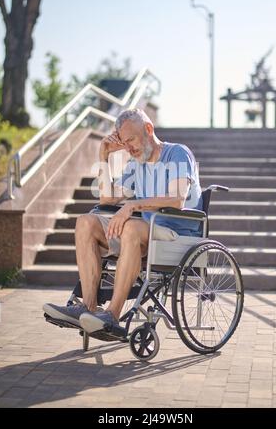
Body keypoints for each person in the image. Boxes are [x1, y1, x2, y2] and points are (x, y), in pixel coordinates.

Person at [43, 108, 203, 334]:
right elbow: (107, 197)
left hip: (177, 232)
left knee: (131, 228)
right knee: (86, 222)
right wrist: (103, 157)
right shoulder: (136, 164)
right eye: (124, 143)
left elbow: (177, 199)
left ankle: (112, 315)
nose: (129, 148)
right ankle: (88, 309)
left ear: (148, 129)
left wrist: (132, 205)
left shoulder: (177, 153)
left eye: (132, 140)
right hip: (145, 231)